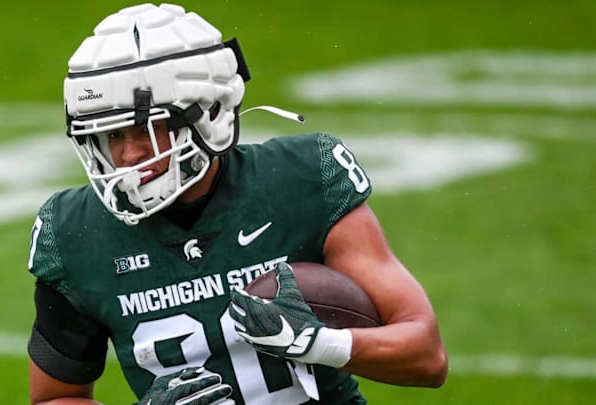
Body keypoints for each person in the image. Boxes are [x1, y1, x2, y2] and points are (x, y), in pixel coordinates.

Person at [26, 3, 448, 404]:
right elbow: (52, 397)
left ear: (208, 113)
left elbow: (426, 357)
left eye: (147, 130)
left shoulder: (299, 181)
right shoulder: (73, 232)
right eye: (112, 137)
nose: (129, 156)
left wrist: (319, 343)